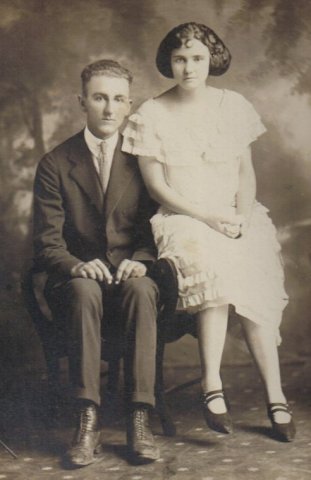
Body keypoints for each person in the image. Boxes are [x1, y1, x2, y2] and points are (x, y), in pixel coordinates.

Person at [122, 22, 295, 442]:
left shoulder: (233, 105)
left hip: (235, 215)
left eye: (197, 58)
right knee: (214, 270)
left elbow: (244, 172)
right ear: (169, 62)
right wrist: (207, 217)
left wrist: (242, 218)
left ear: (211, 59)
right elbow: (157, 186)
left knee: (254, 276)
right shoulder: (151, 114)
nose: (188, 67)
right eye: (180, 59)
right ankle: (211, 384)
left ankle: (276, 395)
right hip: (183, 217)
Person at [33, 59, 163, 467]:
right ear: (82, 102)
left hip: (131, 275)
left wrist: (142, 260)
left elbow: (158, 228)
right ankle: (86, 419)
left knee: (143, 289)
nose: (109, 108)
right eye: (100, 97)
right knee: (84, 288)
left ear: (129, 105)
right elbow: (46, 242)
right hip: (76, 280)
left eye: (119, 99)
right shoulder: (55, 163)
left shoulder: (144, 159)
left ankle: (139, 418)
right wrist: (75, 265)